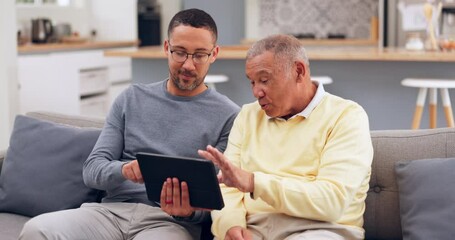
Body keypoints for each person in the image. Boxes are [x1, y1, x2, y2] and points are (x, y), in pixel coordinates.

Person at [19, 8, 239, 240]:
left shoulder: (229, 116)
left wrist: (190, 213)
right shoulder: (131, 98)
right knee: (36, 230)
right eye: (180, 52)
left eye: (199, 55)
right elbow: (92, 170)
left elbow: (225, 199)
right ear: (166, 48)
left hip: (168, 224)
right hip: (109, 213)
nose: (188, 65)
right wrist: (124, 170)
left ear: (214, 54)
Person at [198, 34, 373, 240]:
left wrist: (255, 182)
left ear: (299, 71)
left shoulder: (346, 116)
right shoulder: (248, 115)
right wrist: (230, 226)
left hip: (320, 230)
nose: (256, 92)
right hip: (252, 229)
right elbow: (229, 187)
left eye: (264, 80)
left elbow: (332, 202)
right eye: (252, 82)